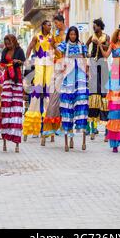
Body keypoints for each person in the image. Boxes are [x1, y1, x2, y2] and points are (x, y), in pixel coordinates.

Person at [56, 26, 89, 152]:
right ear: (68, 35)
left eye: (75, 34)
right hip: (68, 75)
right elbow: (57, 51)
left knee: (81, 103)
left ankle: (83, 139)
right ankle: (69, 138)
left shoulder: (82, 45)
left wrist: (86, 72)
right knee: (67, 107)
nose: (73, 36)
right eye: (71, 34)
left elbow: (86, 60)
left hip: (80, 75)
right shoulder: (64, 45)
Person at [23, 20, 55, 137]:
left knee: (48, 93)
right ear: (43, 26)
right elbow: (30, 47)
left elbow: (56, 50)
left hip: (50, 65)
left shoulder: (53, 37)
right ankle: (33, 125)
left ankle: (49, 126)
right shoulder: (37, 36)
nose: (50, 27)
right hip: (39, 64)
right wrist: (26, 60)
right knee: (37, 92)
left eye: (51, 25)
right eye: (48, 25)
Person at [42, 14, 67, 145]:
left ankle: (63, 125)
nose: (55, 25)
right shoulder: (55, 35)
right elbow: (52, 48)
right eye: (54, 23)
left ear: (62, 22)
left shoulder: (68, 33)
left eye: (57, 23)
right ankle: (51, 125)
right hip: (56, 65)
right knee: (54, 95)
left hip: (66, 66)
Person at [0, 34, 26, 152]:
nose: (7, 45)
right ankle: (5, 138)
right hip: (7, 80)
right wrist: (5, 65)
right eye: (6, 43)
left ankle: (16, 141)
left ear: (14, 41)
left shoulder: (19, 51)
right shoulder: (4, 51)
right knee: (5, 108)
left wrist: (17, 61)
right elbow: (1, 63)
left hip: (17, 80)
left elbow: (23, 62)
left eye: (9, 43)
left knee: (16, 108)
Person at [86, 18, 110, 141]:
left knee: (104, 97)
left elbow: (107, 48)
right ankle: (92, 129)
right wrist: (88, 55)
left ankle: (107, 130)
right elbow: (85, 46)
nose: (94, 28)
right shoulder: (92, 36)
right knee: (94, 97)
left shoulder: (106, 36)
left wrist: (100, 44)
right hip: (94, 66)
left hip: (103, 65)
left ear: (100, 27)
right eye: (93, 26)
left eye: (95, 26)